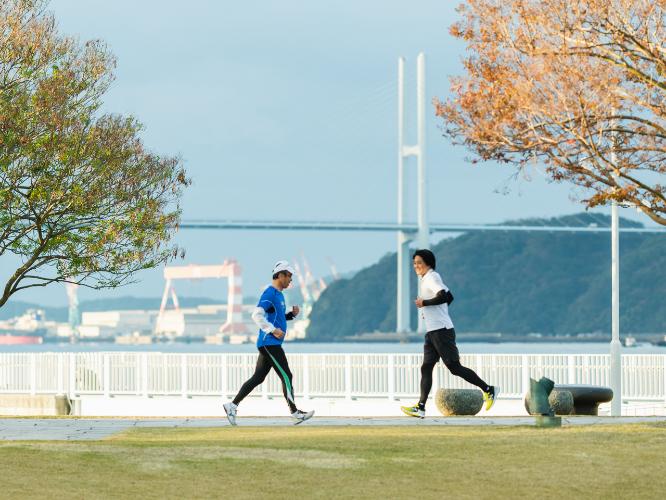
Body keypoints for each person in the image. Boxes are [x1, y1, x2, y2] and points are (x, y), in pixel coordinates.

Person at [401, 249, 499, 418]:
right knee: (426, 367)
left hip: (442, 331)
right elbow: (450, 296)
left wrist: (425, 303)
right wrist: (436, 310)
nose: (416, 265)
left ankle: (488, 390)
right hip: (432, 331)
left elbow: (444, 296)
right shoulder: (427, 278)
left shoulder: (432, 277)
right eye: (414, 263)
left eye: (419, 262)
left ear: (428, 263)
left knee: (454, 367)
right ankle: (421, 407)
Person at [223, 260, 314, 425]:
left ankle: (232, 405)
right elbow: (256, 315)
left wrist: (291, 315)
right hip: (269, 342)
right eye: (289, 276)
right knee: (287, 375)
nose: (290, 280)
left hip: (271, 343)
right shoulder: (269, 293)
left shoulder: (279, 295)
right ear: (280, 275)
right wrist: (272, 330)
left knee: (258, 377)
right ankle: (295, 413)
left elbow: (276, 317)